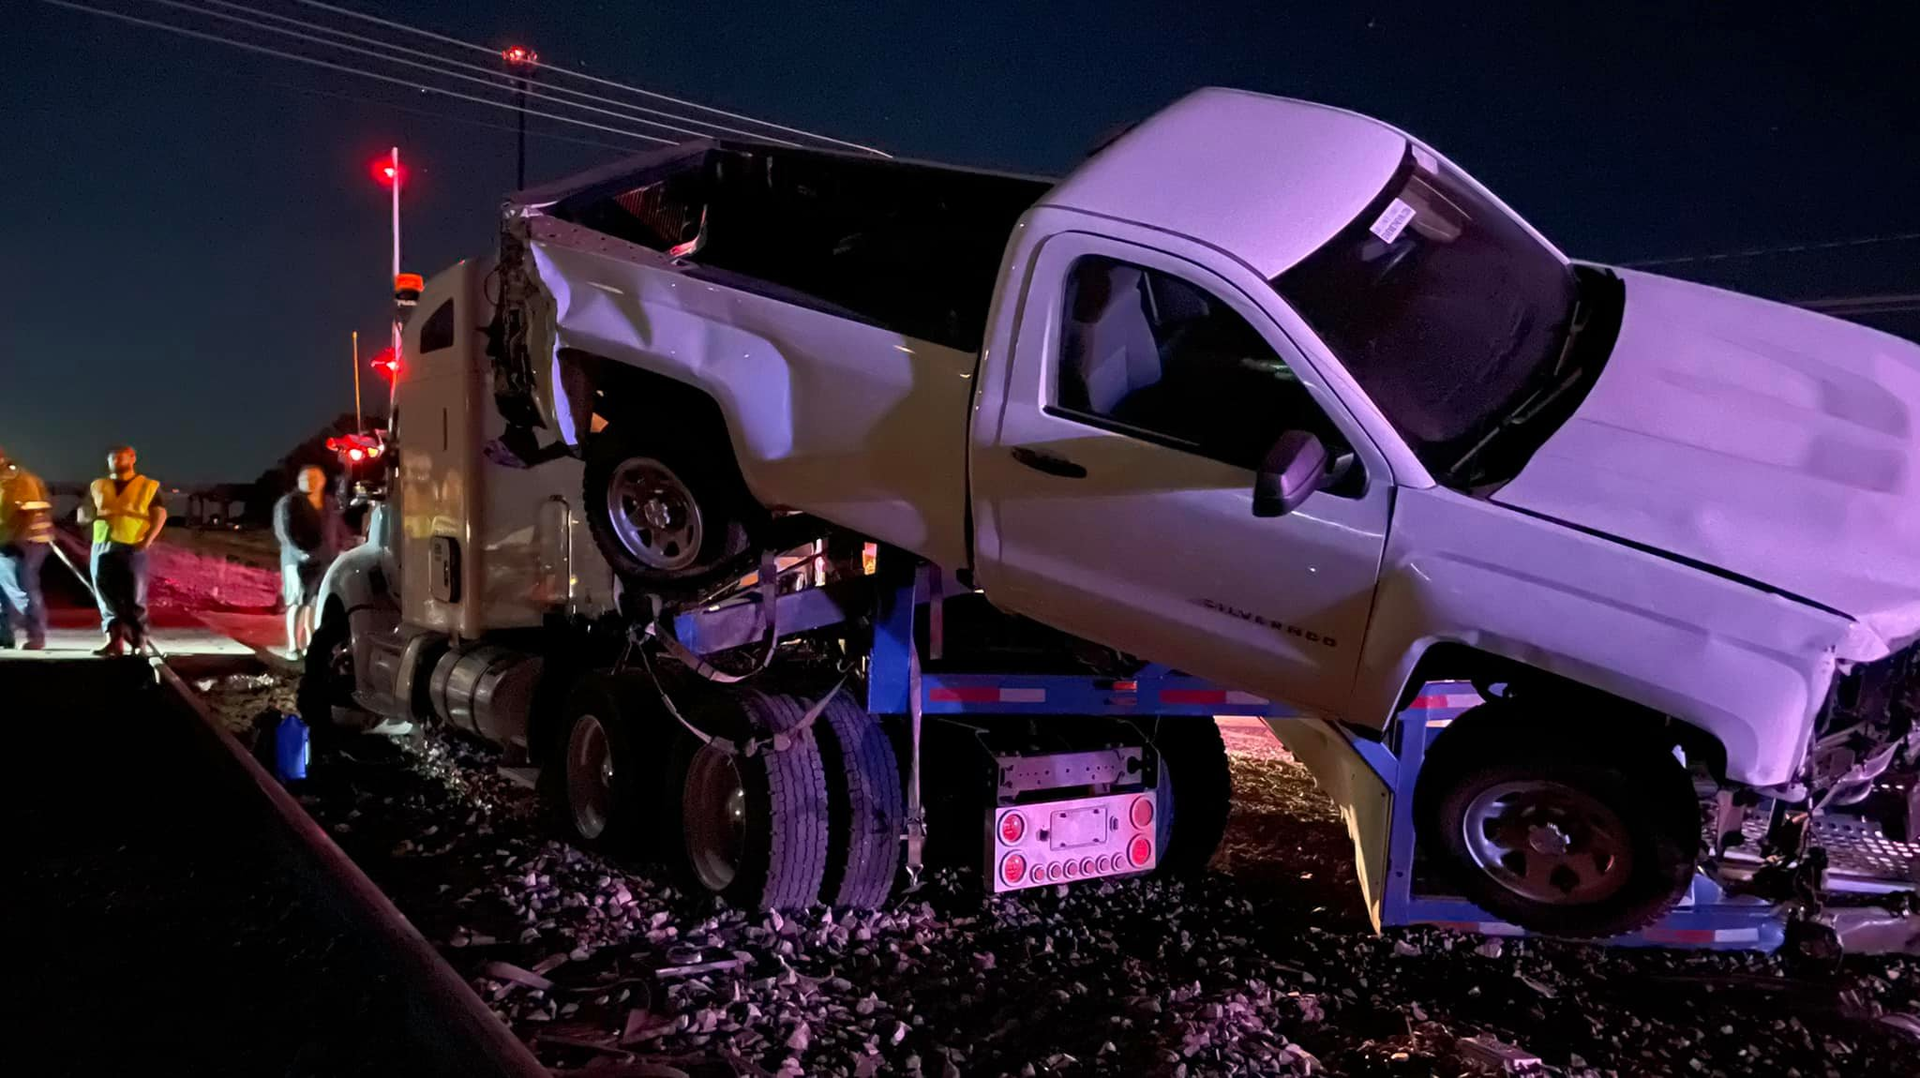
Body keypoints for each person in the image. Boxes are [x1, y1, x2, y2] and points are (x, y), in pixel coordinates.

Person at [77, 445, 166, 656]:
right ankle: (113, 641)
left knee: (134, 596)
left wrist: (147, 540)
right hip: (102, 545)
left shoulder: (148, 486)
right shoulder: (98, 485)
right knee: (105, 596)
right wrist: (84, 516)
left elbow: (159, 515)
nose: (116, 461)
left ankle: (138, 642)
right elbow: (84, 511)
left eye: (121, 457)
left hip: (132, 545)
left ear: (133, 458)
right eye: (112, 458)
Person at [273, 465, 345, 659]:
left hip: (323, 561)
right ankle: (293, 646)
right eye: (306, 478)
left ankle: (311, 644)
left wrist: (345, 544)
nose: (310, 482)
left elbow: (337, 528)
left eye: (315, 478)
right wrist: (301, 553)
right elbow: (285, 532)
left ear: (322, 481)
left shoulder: (328, 503)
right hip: (296, 563)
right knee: (296, 603)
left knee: (313, 604)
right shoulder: (289, 503)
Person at [0, 447, 54, 651]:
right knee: (2, 593)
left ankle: (36, 635)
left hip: (25, 543)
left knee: (23, 589)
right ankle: (4, 635)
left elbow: (30, 511)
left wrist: (18, 539)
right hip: (4, 542)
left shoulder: (19, 480)